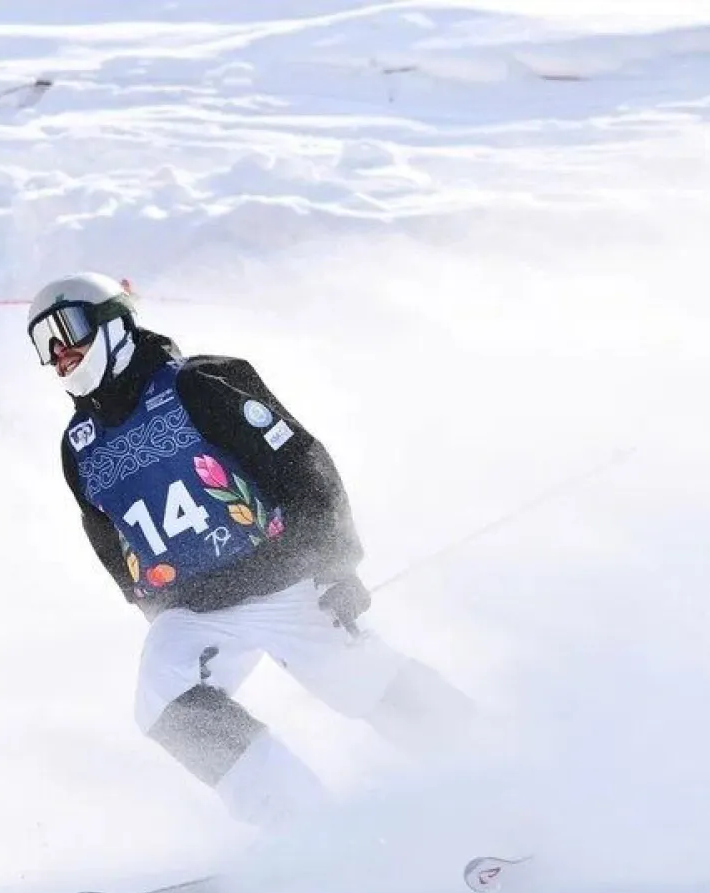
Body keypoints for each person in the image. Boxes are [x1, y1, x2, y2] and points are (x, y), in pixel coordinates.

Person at [29, 271, 475, 831]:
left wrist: (336, 562)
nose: (58, 353)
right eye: (43, 345)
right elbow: (102, 527)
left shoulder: (200, 384)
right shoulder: (80, 443)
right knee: (162, 696)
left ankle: (485, 762)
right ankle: (298, 822)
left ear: (113, 323)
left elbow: (302, 462)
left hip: (283, 580)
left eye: (66, 330)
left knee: (355, 678)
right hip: (193, 607)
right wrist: (144, 596)